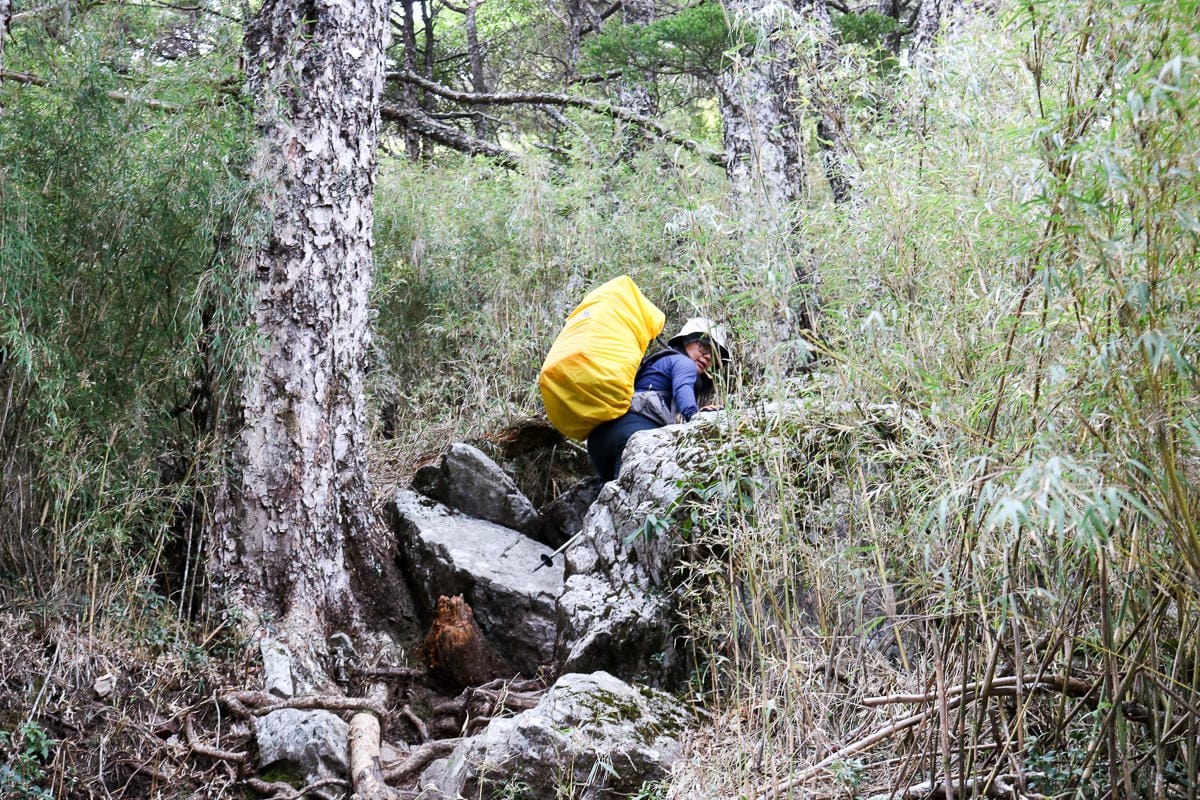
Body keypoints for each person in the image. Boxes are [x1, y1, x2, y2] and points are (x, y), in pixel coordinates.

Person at [586, 317, 732, 481]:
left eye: (714, 355)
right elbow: (683, 390)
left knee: (613, 496)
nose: (707, 357)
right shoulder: (684, 363)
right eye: (704, 346)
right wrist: (697, 419)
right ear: (686, 340)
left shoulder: (656, 361)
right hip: (633, 434)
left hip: (599, 438)